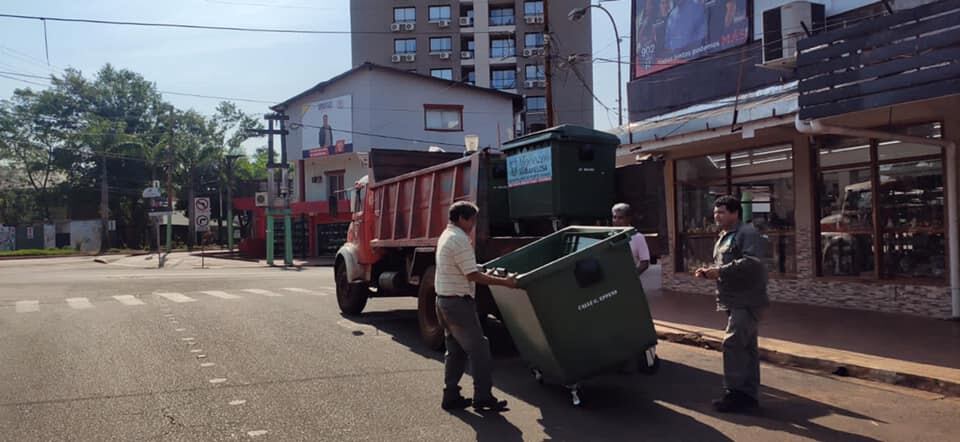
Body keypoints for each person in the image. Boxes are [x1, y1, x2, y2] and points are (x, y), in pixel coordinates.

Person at [435, 201, 517, 412]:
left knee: (455, 350)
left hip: (444, 300)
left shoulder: (447, 235)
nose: (474, 224)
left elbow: (465, 267)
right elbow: (471, 275)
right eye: (472, 220)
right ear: (462, 218)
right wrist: (505, 282)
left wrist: (485, 269)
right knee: (480, 349)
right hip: (457, 303)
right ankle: (483, 397)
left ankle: (450, 395)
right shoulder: (460, 239)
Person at [695, 195, 769, 413]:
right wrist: (709, 272)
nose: (717, 216)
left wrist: (719, 271)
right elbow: (725, 263)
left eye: (722, 212)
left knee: (733, 344)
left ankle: (734, 393)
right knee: (747, 348)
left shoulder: (748, 233)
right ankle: (748, 396)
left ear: (735, 213)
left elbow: (752, 263)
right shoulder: (724, 235)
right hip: (732, 299)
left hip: (747, 300)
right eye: (716, 212)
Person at [611, 203, 651, 275]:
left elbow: (644, 263)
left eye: (620, 218)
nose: (616, 221)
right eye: (614, 217)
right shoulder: (609, 236)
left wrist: (631, 277)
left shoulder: (638, 237)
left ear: (628, 218)